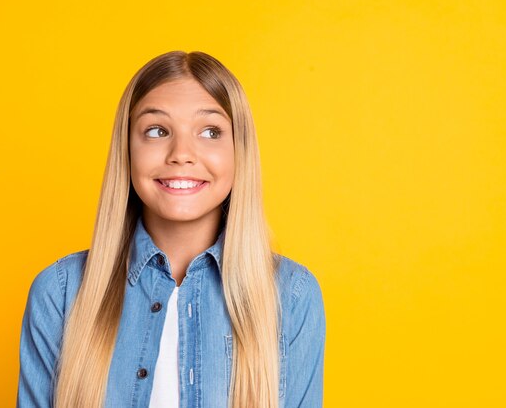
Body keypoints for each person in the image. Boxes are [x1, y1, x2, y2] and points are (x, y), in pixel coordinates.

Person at [17, 51, 326, 408]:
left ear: (240, 151)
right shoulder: (60, 293)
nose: (182, 153)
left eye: (210, 132)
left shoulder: (292, 296)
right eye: (157, 130)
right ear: (127, 150)